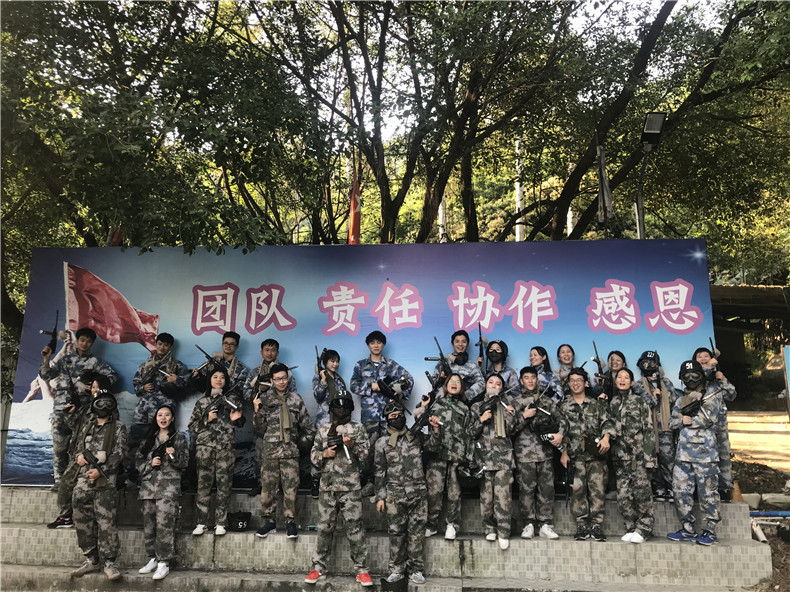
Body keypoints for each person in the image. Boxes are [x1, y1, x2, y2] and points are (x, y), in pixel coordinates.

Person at [305, 392, 373, 587]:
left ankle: (361, 570)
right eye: (337, 406)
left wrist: (352, 445)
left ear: (351, 409)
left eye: (345, 406)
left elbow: (366, 454)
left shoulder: (358, 429)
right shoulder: (323, 429)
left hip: (350, 487)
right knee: (324, 529)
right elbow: (313, 454)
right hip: (327, 487)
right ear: (331, 408)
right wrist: (324, 454)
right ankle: (318, 567)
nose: (341, 410)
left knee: (355, 529)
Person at [39, 327, 118, 490]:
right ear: (77, 341)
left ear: (92, 343)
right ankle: (59, 481)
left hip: (82, 411)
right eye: (82, 340)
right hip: (61, 409)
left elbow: (112, 377)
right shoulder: (65, 360)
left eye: (88, 341)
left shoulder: (95, 362)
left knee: (78, 446)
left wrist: (92, 387)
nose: (85, 343)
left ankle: (73, 480)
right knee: (59, 446)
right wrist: (46, 359)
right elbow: (46, 375)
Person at [69, 390, 127, 581]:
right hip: (83, 483)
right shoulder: (87, 425)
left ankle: (109, 562)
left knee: (106, 523)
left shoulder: (118, 427)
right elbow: (77, 448)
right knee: (82, 521)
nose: (103, 406)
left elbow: (119, 453)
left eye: (107, 402)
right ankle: (91, 559)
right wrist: (78, 457)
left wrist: (102, 471)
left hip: (105, 482)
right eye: (99, 402)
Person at [253, 363, 315, 539]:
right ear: (272, 381)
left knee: (291, 488)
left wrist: (304, 442)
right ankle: (269, 521)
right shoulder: (265, 400)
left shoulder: (296, 399)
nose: (281, 382)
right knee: (268, 488)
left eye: (284, 378)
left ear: (288, 379)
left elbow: (307, 425)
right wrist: (257, 411)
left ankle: (290, 522)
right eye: (278, 379)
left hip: (290, 451)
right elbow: (259, 427)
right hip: (270, 451)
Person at [48, 374, 117, 529]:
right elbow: (75, 426)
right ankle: (66, 516)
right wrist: (70, 413)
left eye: (97, 387)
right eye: (93, 387)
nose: (94, 390)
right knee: (66, 484)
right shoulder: (87, 406)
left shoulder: (108, 406)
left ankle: (77, 518)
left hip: (94, 456)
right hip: (79, 453)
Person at [667, 360, 724, 546]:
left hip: (705, 455)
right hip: (683, 455)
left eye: (695, 375)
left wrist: (688, 418)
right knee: (680, 491)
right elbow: (671, 423)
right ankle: (688, 528)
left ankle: (710, 530)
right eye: (686, 376)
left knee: (708, 493)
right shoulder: (680, 400)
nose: (690, 379)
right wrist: (682, 419)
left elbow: (709, 419)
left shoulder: (711, 396)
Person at [350, 330, 413, 496]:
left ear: (383, 345)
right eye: (372, 343)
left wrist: (398, 393)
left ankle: (389, 483)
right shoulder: (360, 365)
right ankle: (371, 482)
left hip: (388, 417)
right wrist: (371, 387)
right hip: (369, 417)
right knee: (369, 450)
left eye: (379, 342)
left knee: (390, 448)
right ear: (368, 345)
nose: (376, 345)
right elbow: (353, 385)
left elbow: (408, 380)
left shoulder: (391, 365)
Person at [375, 400, 428, 585]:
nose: (397, 418)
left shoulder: (415, 436)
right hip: (394, 495)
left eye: (399, 415)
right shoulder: (381, 443)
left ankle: (416, 570)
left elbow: (434, 447)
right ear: (387, 419)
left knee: (417, 534)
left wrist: (435, 429)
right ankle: (397, 569)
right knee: (396, 534)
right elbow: (379, 471)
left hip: (418, 493)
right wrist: (380, 497)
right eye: (393, 416)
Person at [559, 367, 614, 542]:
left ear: (585, 383)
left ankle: (596, 526)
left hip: (595, 457)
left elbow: (607, 422)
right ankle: (581, 525)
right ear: (568, 384)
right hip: (575, 456)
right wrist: (563, 452)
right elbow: (562, 431)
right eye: (572, 381)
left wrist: (606, 438)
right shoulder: (564, 407)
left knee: (597, 491)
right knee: (577, 491)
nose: (575, 383)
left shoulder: (596, 404)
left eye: (579, 380)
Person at [510, 366, 566, 540]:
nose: (530, 380)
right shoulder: (515, 402)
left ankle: (545, 524)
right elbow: (509, 429)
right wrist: (524, 416)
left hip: (545, 453)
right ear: (521, 381)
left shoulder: (547, 402)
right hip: (524, 454)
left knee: (547, 490)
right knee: (526, 490)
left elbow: (562, 420)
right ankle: (528, 524)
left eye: (533, 377)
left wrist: (560, 434)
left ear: (537, 379)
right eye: (526, 377)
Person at [188, 366, 244, 536]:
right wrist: (207, 419)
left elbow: (240, 422)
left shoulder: (232, 400)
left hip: (225, 449)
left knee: (224, 487)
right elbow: (192, 426)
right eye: (215, 377)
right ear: (209, 380)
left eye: (222, 377)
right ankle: (201, 522)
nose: (219, 380)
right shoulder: (202, 402)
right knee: (203, 486)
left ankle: (221, 522)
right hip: (205, 450)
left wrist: (236, 420)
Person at [136, 405, 188, 580]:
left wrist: (172, 456)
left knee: (165, 525)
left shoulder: (178, 437)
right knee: (149, 526)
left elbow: (184, 463)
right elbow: (137, 462)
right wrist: (150, 464)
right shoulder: (148, 439)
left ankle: (164, 562)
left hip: (168, 488)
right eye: (160, 415)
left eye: (167, 415)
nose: (163, 418)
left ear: (172, 418)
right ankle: (152, 558)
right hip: (148, 488)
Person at [128, 333, 189, 483]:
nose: (162, 347)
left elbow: (188, 384)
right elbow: (136, 385)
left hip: (163, 414)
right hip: (143, 412)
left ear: (171, 347)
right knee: (137, 444)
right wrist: (143, 387)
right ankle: (134, 479)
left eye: (166, 345)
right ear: (156, 344)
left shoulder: (177, 366)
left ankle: (157, 479)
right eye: (160, 344)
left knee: (162, 445)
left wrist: (176, 379)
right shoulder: (146, 365)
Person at [467, 374, 517, 550]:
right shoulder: (476, 406)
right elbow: (470, 432)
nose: (494, 385)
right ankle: (490, 528)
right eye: (491, 382)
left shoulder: (506, 404)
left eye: (498, 383)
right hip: (484, 459)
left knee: (503, 497)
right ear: (486, 386)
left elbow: (513, 430)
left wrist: (511, 415)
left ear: (502, 388)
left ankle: (503, 531)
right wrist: (481, 420)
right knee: (486, 498)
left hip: (504, 459)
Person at [421, 374, 471, 540]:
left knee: (454, 493)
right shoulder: (435, 404)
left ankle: (452, 525)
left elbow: (469, 434)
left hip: (457, 456)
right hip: (437, 454)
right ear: (446, 384)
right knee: (433, 491)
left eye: (458, 382)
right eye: (451, 381)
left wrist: (467, 457)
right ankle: (431, 524)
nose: (454, 384)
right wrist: (423, 408)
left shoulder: (465, 408)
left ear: (461, 387)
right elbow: (420, 422)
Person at [609, 368, 656, 544]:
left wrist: (650, 458)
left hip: (638, 457)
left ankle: (644, 529)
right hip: (619, 457)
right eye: (619, 377)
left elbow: (648, 430)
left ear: (631, 382)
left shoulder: (639, 401)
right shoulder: (612, 403)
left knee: (642, 493)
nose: (622, 380)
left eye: (626, 377)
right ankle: (631, 527)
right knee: (623, 495)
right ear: (615, 381)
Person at [246, 338, 296, 496]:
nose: (270, 353)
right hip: (262, 417)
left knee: (284, 453)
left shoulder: (285, 370)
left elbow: (293, 392)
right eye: (267, 350)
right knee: (260, 451)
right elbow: (245, 393)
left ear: (277, 352)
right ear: (261, 352)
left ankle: (281, 486)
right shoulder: (254, 372)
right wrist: (258, 389)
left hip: (281, 417)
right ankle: (261, 484)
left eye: (273, 350)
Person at [693, 347, 737, 502]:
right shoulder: (695, 378)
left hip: (720, 428)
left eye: (706, 356)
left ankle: (724, 489)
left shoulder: (717, 380)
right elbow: (699, 382)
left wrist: (722, 378)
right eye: (699, 357)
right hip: (704, 430)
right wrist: (710, 368)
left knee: (724, 458)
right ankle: (704, 490)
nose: (703, 359)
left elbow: (732, 395)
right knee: (704, 460)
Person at [635, 351, 678, 501]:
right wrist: (654, 396)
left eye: (652, 362)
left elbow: (674, 403)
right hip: (648, 429)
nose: (648, 365)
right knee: (652, 460)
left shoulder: (667, 383)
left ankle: (671, 488)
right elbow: (642, 404)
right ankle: (658, 488)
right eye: (645, 363)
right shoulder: (638, 384)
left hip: (665, 428)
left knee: (668, 459)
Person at [312, 349, 346, 497]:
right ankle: (315, 481)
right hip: (324, 421)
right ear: (325, 362)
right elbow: (318, 396)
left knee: (336, 450)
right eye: (332, 361)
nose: (335, 364)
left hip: (338, 421)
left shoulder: (339, 379)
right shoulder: (319, 376)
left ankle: (333, 481)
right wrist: (323, 381)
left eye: (337, 361)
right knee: (321, 450)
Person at [433, 330, 485, 402]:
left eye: (463, 342)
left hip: (462, 404)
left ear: (467, 344)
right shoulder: (443, 363)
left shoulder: (472, 365)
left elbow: (481, 383)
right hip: (443, 401)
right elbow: (433, 382)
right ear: (452, 344)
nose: (460, 344)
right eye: (457, 341)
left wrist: (466, 395)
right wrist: (440, 380)